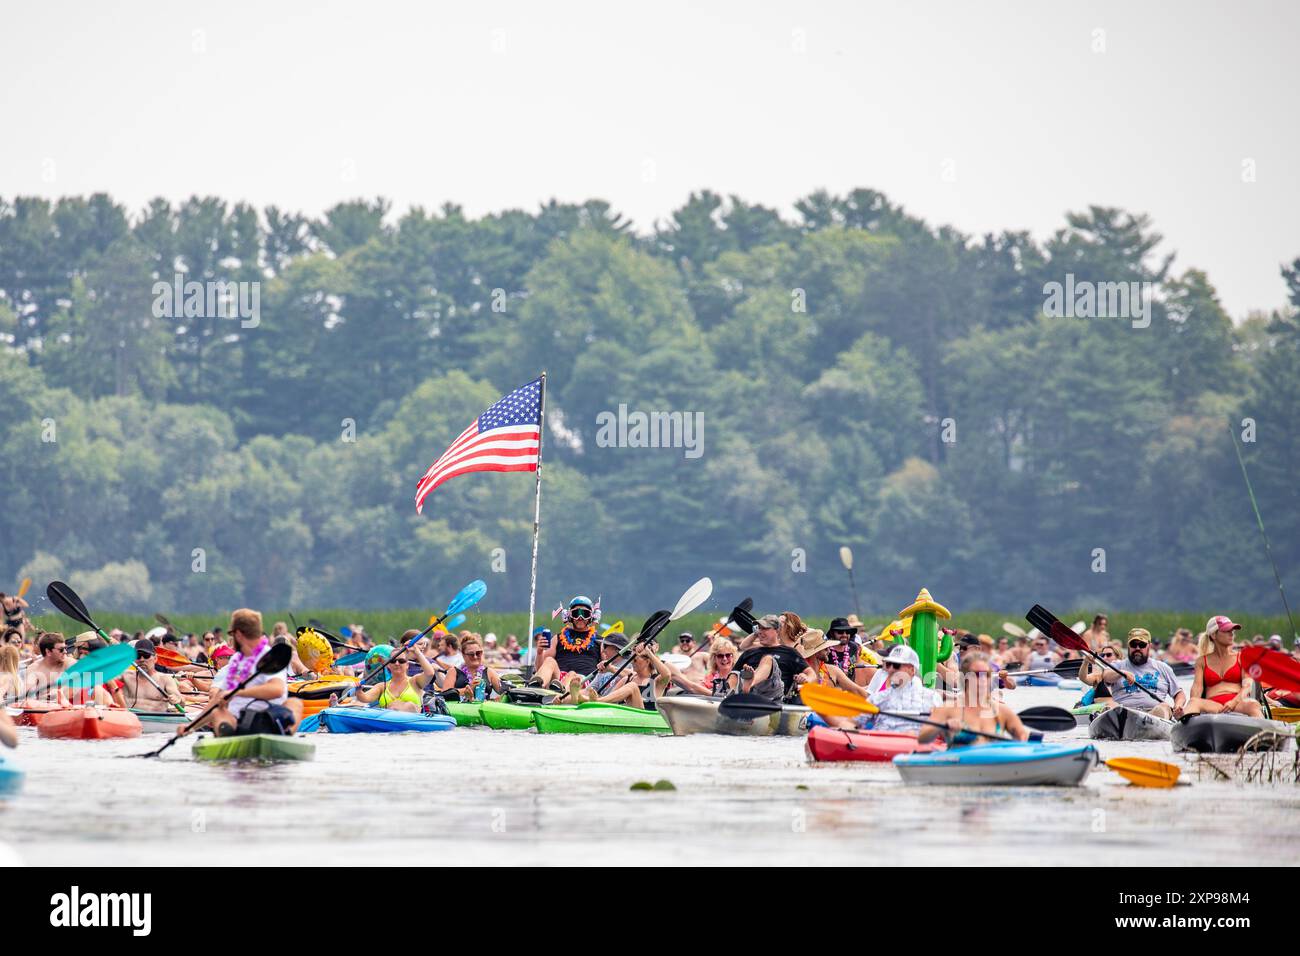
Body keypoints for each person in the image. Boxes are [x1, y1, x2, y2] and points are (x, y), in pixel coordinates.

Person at [186, 609, 295, 737]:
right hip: (239, 723)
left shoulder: (268, 656)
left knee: (294, 703)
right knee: (217, 712)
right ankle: (228, 734)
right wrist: (190, 727)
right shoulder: (235, 660)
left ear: (238, 634)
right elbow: (217, 699)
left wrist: (238, 692)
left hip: (267, 719)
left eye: (232, 634)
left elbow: (277, 690)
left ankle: (228, 735)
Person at [918, 651, 1032, 745]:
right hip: (960, 767)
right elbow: (922, 739)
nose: (982, 679)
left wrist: (1024, 739)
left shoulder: (1002, 711)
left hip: (993, 767)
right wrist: (943, 726)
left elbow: (1023, 737)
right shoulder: (947, 709)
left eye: (986, 675)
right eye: (977, 675)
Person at [1182, 616, 1264, 718]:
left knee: (1253, 705)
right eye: (1226, 630)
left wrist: (1233, 702)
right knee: (1194, 702)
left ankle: (1265, 732)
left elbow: (1247, 686)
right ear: (1213, 635)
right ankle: (1182, 719)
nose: (1231, 633)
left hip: (1238, 704)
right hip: (1212, 706)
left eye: (1232, 630)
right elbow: (1197, 689)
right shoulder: (1201, 661)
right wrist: (1193, 707)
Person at [1099, 628, 1185, 718]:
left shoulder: (1163, 668)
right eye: (1133, 644)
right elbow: (1106, 676)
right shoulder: (1117, 665)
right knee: (1111, 706)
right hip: (1124, 714)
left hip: (1154, 714)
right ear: (1128, 646)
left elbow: (1179, 693)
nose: (1137, 648)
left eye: (1142, 645)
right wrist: (1121, 673)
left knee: (1163, 707)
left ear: (1149, 646)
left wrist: (1178, 706)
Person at [529, 596, 602, 690]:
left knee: (572, 675)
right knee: (549, 661)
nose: (580, 618)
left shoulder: (600, 641)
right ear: (569, 615)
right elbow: (540, 669)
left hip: (584, 682)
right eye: (576, 613)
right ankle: (536, 689)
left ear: (592, 616)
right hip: (557, 681)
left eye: (585, 613)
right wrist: (539, 652)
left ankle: (560, 694)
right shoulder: (557, 638)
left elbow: (608, 667)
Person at [736, 615, 814, 702]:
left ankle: (751, 682)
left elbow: (811, 674)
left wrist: (806, 679)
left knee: (768, 659)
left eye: (765, 628)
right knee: (734, 674)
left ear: (777, 631)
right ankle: (727, 695)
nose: (760, 632)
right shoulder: (750, 651)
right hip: (748, 695)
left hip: (774, 697)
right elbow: (735, 671)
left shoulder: (790, 653)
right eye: (759, 628)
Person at [353, 642, 439, 712]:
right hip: (390, 725)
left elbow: (429, 674)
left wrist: (417, 651)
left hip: (412, 726)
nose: (397, 663)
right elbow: (364, 698)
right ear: (388, 665)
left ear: (407, 665)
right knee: (393, 706)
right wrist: (359, 691)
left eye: (401, 661)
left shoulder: (414, 681)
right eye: (393, 661)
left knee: (408, 705)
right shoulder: (381, 686)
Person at [121, 639, 185, 712]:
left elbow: (182, 702)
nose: (142, 659)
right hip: (132, 720)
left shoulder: (165, 679)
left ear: (155, 658)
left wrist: (178, 699)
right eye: (138, 656)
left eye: (146, 655)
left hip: (157, 721)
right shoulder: (125, 676)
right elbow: (105, 674)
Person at [438, 635, 506, 702]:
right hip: (460, 709)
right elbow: (445, 694)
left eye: (478, 653)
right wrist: (468, 689)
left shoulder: (489, 672)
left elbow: (504, 691)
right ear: (463, 655)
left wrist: (497, 699)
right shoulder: (453, 671)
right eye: (471, 654)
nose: (475, 657)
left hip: (483, 709)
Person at [670, 637, 740, 696]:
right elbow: (696, 688)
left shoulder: (739, 674)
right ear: (714, 658)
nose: (724, 659)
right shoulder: (711, 677)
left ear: (733, 656)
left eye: (728, 655)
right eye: (720, 656)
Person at [23, 633, 70, 701]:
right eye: (61, 649)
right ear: (48, 652)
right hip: (42, 707)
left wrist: (60, 691)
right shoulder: (34, 668)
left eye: (66, 648)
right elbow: (27, 693)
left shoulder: (69, 663)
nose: (65, 652)